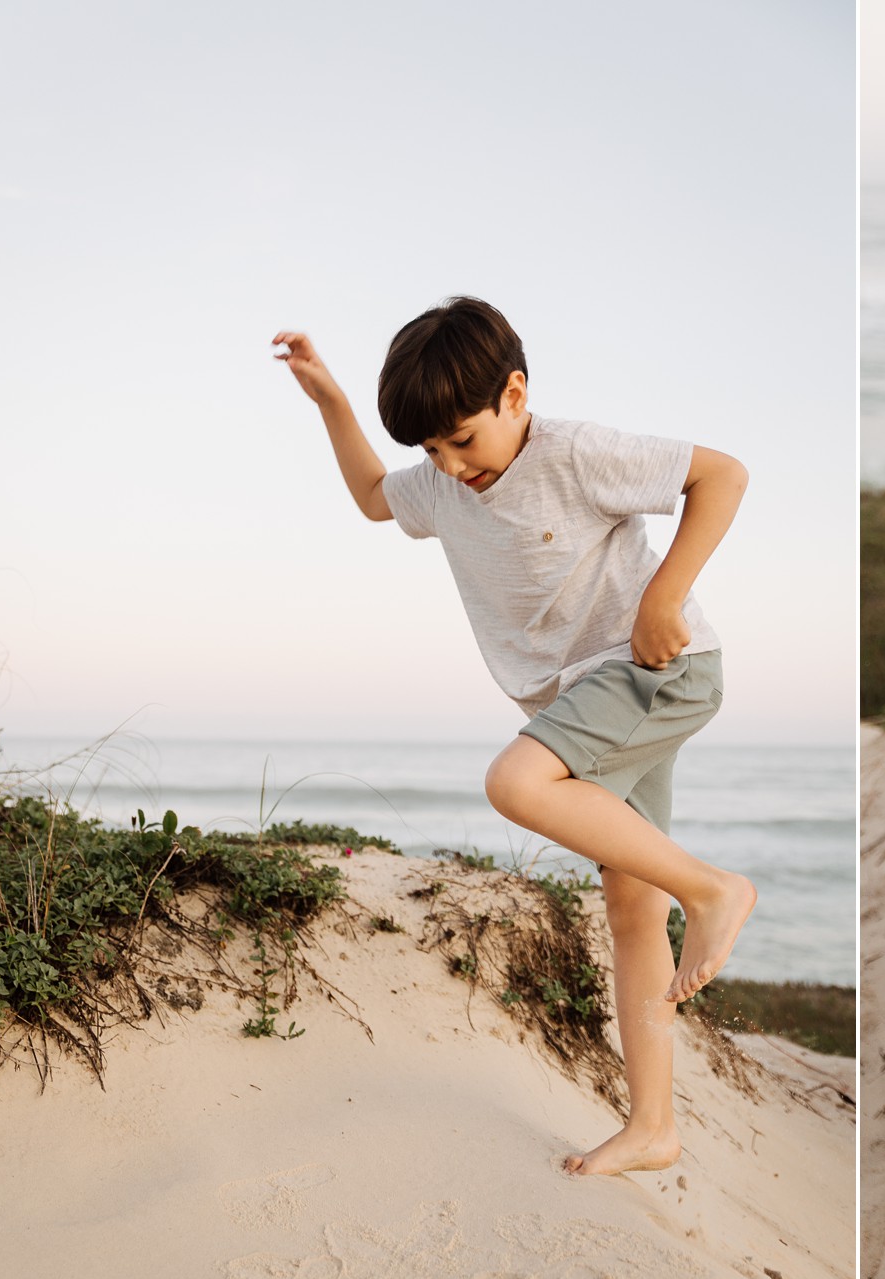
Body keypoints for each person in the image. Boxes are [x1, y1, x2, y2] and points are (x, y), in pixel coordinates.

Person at [272, 297, 757, 1177]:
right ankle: (654, 1126)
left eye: (462, 438)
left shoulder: (572, 452)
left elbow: (721, 474)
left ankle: (715, 889)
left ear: (515, 395)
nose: (450, 466)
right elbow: (377, 499)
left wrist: (663, 594)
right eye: (432, 450)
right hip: (587, 699)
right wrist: (330, 401)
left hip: (654, 669)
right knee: (629, 901)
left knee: (517, 784)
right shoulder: (442, 483)